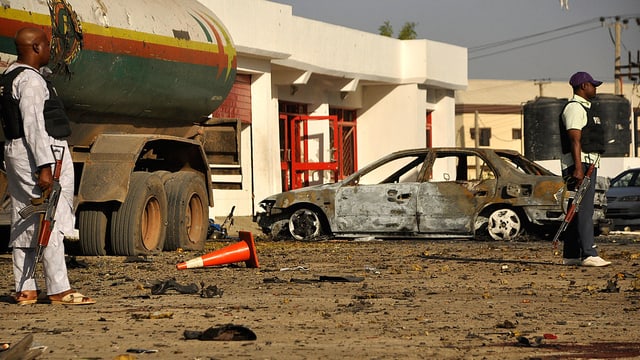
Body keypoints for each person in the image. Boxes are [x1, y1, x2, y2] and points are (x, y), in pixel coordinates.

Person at [0, 27, 95, 304]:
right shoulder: (30, 82)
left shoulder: (9, 76)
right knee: (47, 217)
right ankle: (59, 289)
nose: (51, 50)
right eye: (48, 45)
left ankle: (26, 288)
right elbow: (34, 126)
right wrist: (44, 165)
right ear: (37, 47)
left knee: (25, 217)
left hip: (17, 151)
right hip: (40, 152)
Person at [558, 71, 611, 267]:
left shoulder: (585, 108)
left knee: (576, 209)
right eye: (592, 84)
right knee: (584, 210)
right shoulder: (574, 108)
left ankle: (571, 255)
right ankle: (589, 253)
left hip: (585, 164)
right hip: (580, 166)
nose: (595, 88)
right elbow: (574, 140)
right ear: (583, 86)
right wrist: (578, 169)